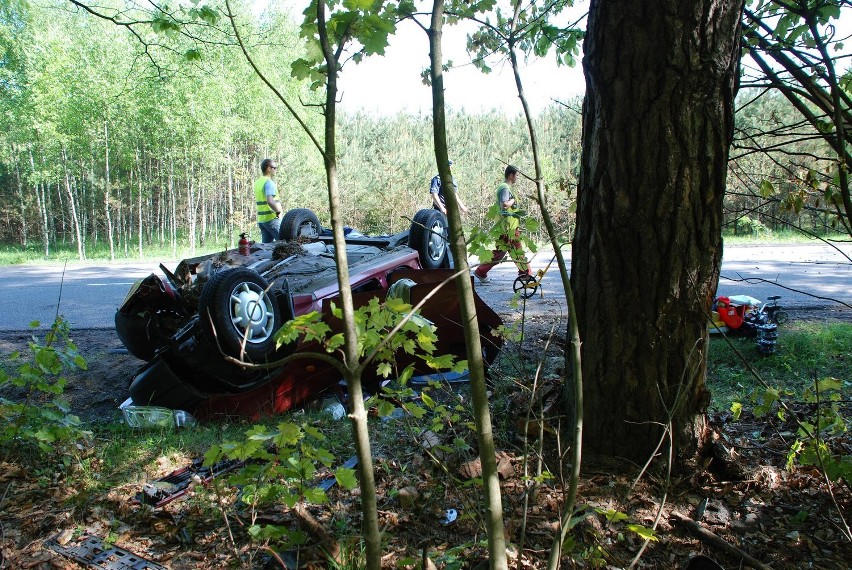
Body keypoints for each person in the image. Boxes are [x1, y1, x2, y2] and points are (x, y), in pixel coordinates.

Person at [473, 164, 530, 283]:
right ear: (511, 175)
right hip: (507, 229)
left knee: (500, 254)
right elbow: (504, 205)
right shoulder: (505, 188)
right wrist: (513, 201)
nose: (517, 178)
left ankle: (481, 271)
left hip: (508, 228)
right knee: (516, 252)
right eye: (516, 175)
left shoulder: (506, 188)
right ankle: (526, 275)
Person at [254, 158, 283, 243]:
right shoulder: (268, 182)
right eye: (275, 168)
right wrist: (278, 211)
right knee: (286, 244)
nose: (276, 170)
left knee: (266, 247)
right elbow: (270, 201)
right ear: (269, 168)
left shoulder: (258, 182)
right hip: (272, 219)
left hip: (262, 220)